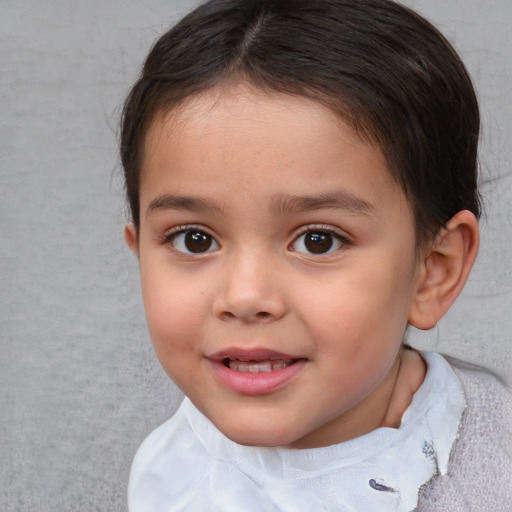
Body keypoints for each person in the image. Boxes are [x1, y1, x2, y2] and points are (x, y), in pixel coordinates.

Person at [120, 0, 511, 510]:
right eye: (195, 239)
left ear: (432, 272)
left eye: (318, 240)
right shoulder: (167, 469)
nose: (244, 297)